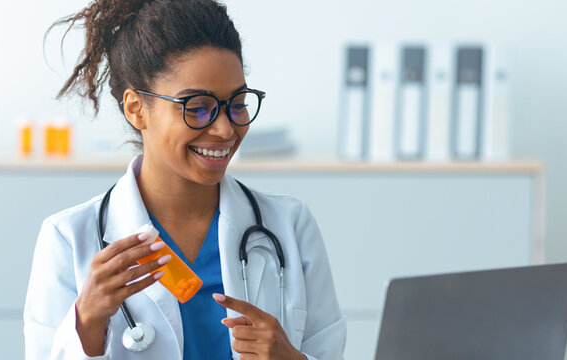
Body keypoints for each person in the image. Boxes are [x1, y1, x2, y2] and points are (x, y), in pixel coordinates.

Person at [22, 0, 346, 359]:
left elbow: (328, 349)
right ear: (135, 109)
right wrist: (87, 323)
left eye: (237, 103)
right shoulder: (69, 238)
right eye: (197, 108)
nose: (225, 129)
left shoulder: (289, 225)